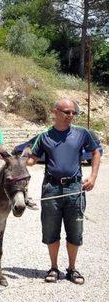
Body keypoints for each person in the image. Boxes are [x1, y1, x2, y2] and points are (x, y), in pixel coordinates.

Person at [27, 98, 100, 285]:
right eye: (67, 112)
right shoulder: (44, 137)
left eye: (73, 113)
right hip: (51, 188)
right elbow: (32, 160)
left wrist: (92, 177)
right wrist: (15, 163)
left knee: (75, 230)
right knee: (51, 229)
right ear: (55, 112)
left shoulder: (82, 134)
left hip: (74, 188)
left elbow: (96, 152)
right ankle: (53, 267)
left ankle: (72, 269)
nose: (70, 116)